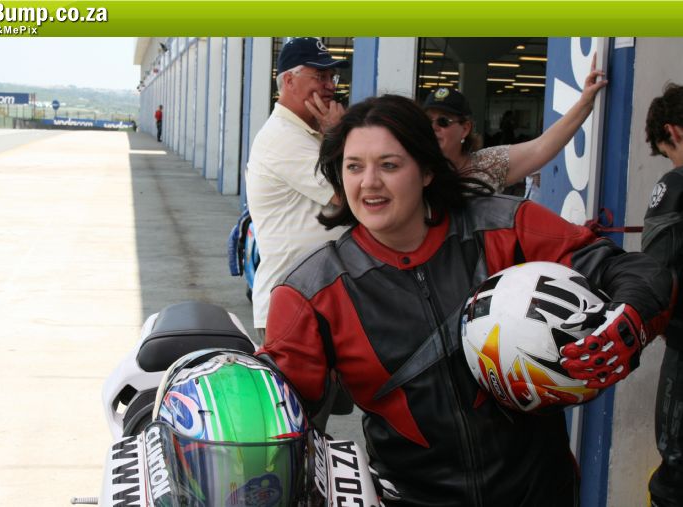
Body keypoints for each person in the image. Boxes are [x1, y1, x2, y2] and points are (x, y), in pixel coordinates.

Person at [258, 94, 672, 506]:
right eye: (353, 167)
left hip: (541, 492)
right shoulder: (311, 292)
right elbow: (278, 418)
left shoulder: (507, 226)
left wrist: (631, 319)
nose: (369, 182)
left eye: (389, 165)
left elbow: (636, 272)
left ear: (426, 171)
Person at [245, 37, 349, 339]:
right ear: (289, 81)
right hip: (293, 308)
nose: (329, 86)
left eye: (332, 77)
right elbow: (350, 194)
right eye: (320, 76)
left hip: (314, 300)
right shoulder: (283, 137)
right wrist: (339, 134)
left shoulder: (309, 132)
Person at [422, 55, 607, 193]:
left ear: (465, 129)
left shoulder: (489, 164)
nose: (433, 127)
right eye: (428, 121)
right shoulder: (416, 168)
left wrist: (585, 103)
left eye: (443, 121)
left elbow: (541, 148)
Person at [643, 83, 683, 507]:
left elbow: (654, 274)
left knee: (674, 469)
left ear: (673, 131)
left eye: (666, 151)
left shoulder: (676, 183)